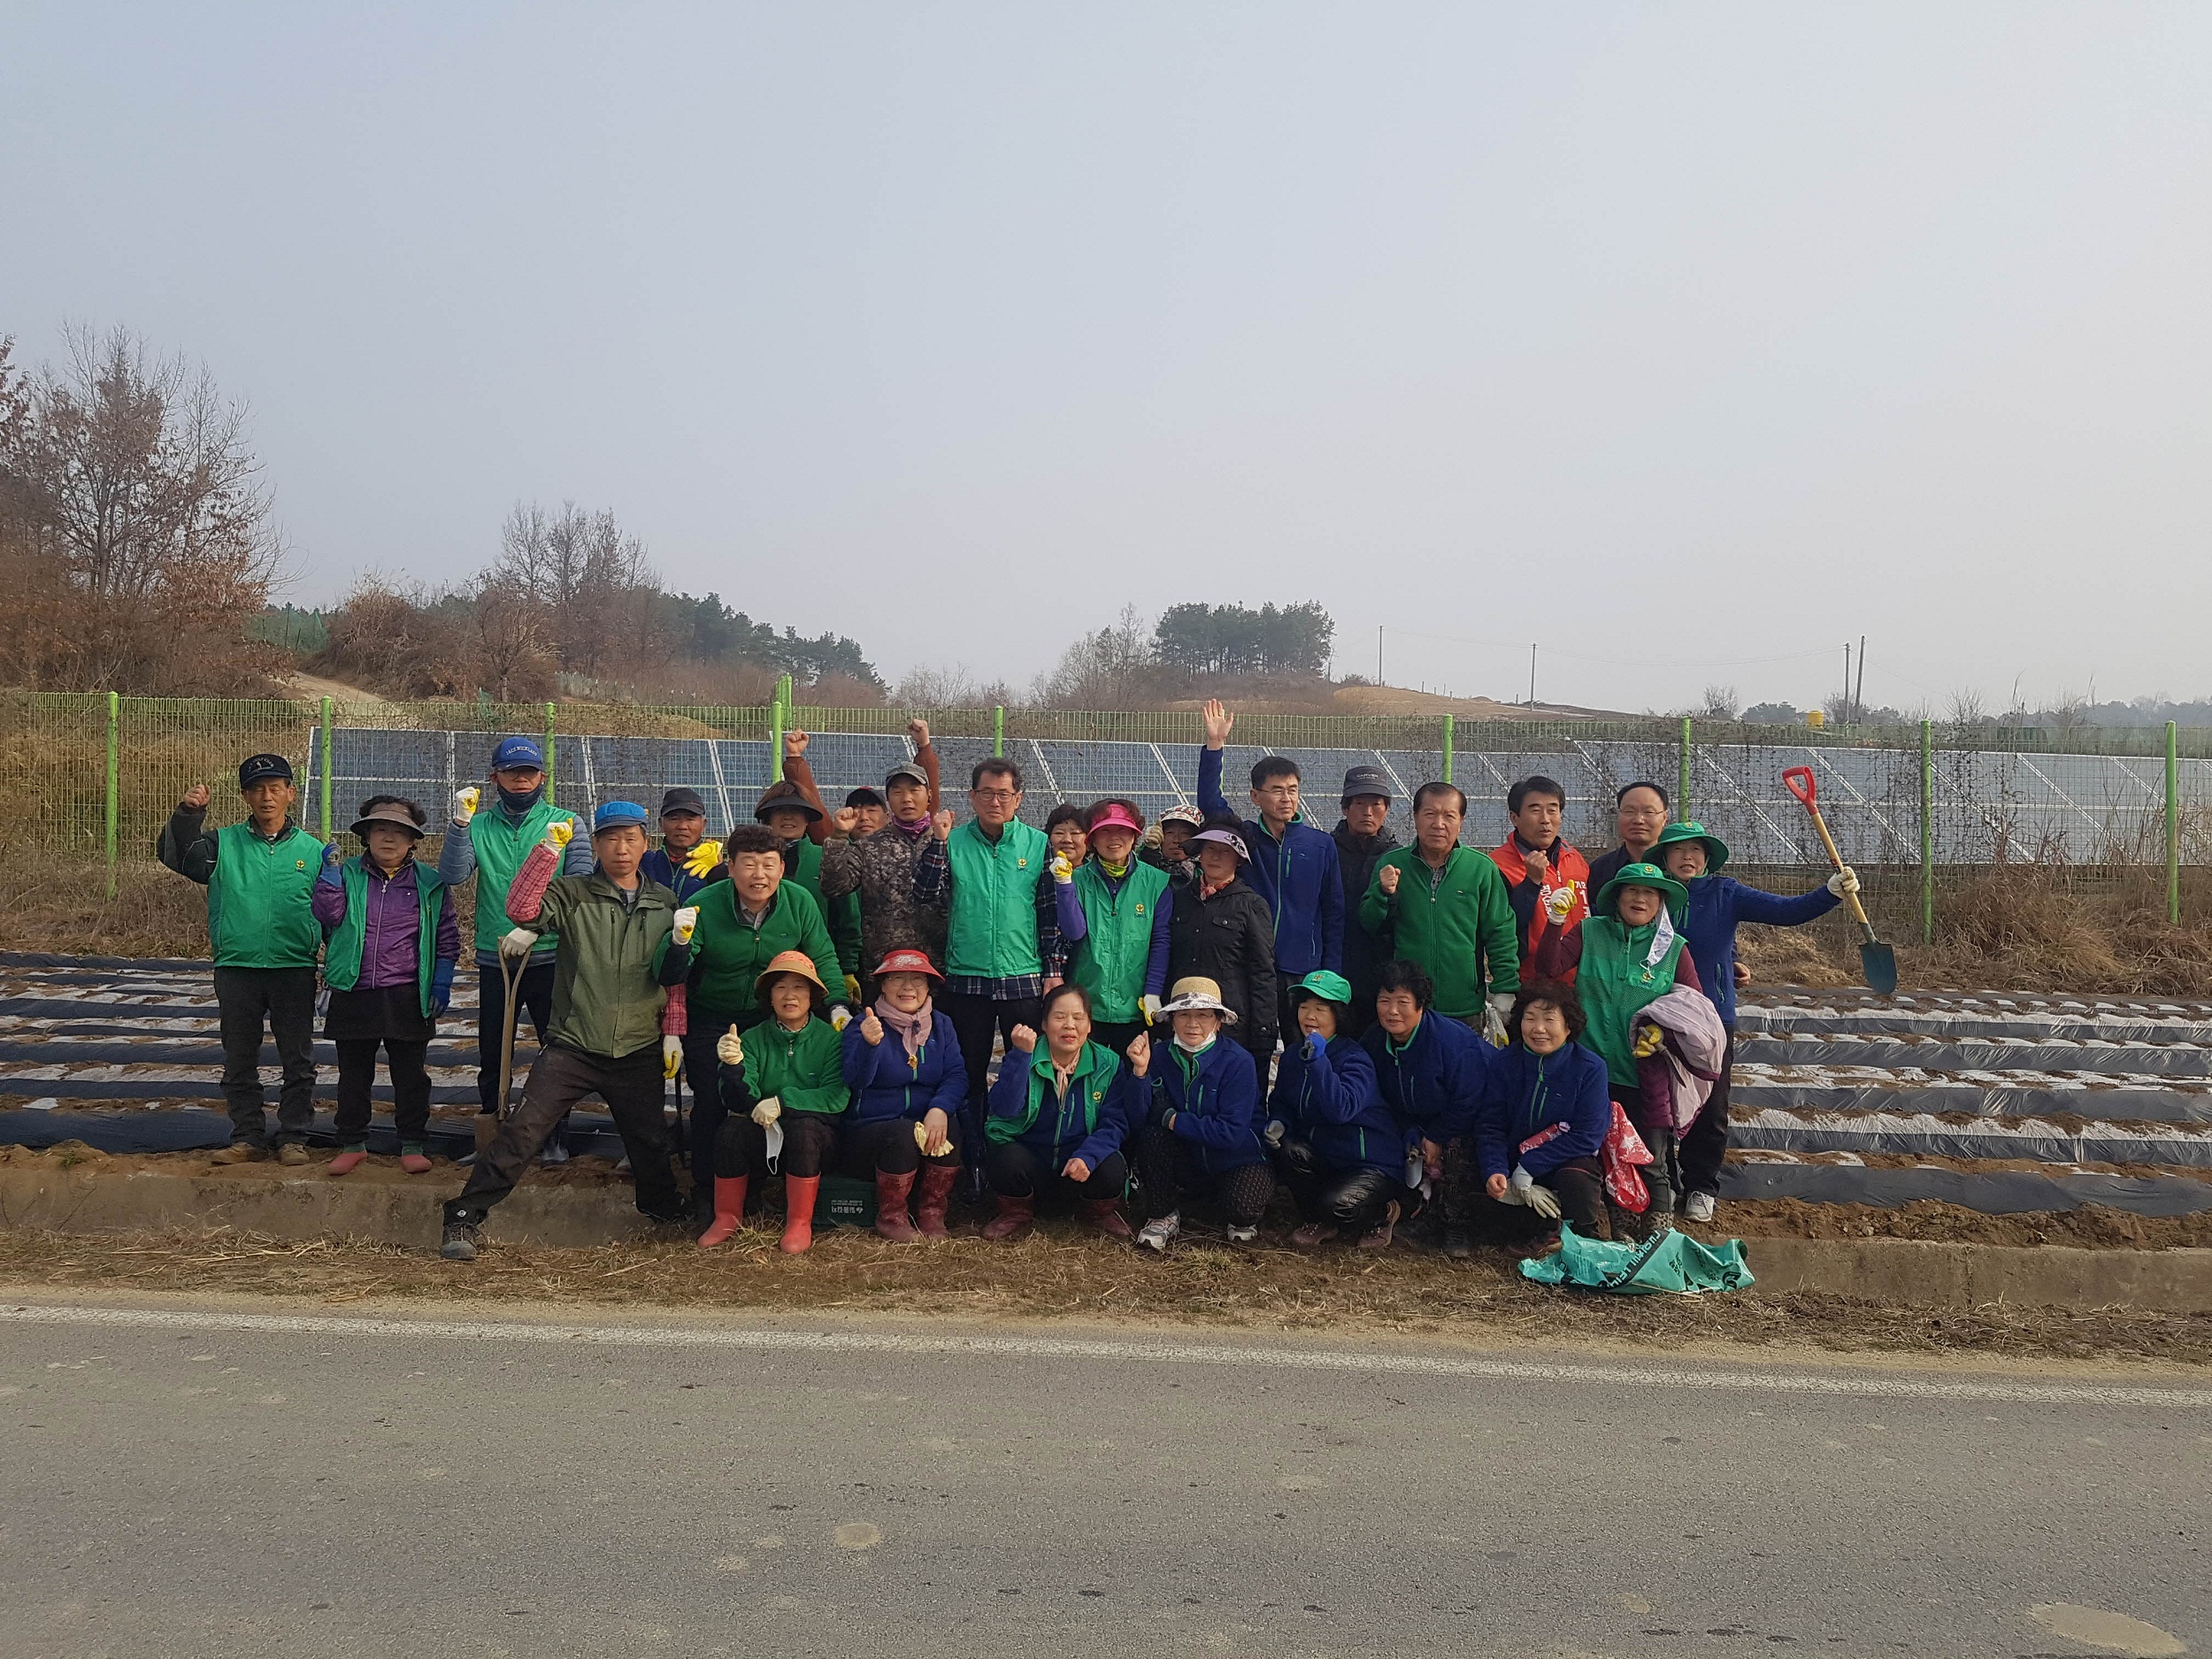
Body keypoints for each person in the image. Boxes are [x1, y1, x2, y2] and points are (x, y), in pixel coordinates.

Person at [439, 802, 692, 1260]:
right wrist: (546, 853)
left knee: (649, 1140)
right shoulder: (572, 892)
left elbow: (673, 977)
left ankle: (664, 1210)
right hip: (574, 1045)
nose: (621, 848)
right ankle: (464, 1214)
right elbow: (521, 910)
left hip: (638, 1044)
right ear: (594, 845)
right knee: (524, 1131)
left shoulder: (665, 902)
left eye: (630, 838)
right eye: (610, 838)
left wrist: (673, 1030)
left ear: (645, 844)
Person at [1651, 820, 1854, 1224]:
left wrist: (1830, 892)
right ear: (1665, 858)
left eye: (1696, 850)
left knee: (1711, 1105)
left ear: (1707, 858)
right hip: (1657, 1013)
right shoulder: (1652, 892)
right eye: (1678, 850)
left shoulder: (1725, 893)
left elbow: (1785, 911)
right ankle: (1664, 1183)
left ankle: (1701, 1186)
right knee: (1658, 1103)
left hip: (1712, 1017)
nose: (1687, 857)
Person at [672, 822, 845, 1224]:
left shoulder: (799, 902)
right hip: (713, 1015)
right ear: (730, 866)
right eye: (748, 864)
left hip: (768, 1015)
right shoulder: (705, 904)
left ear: (782, 867)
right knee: (712, 1099)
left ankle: (764, 1185)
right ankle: (709, 1191)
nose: (759, 875)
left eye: (769, 864)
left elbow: (822, 955)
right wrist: (678, 943)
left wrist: (837, 1004)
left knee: (769, 1095)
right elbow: (674, 971)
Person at [157, 754, 326, 1164]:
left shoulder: (315, 852)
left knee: (298, 1060)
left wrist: (335, 963)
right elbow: (178, 857)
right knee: (239, 1059)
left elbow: (332, 911)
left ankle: (293, 1138)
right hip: (237, 967)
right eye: (257, 789)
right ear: (245, 796)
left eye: (275, 788)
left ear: (290, 793)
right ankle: (247, 1137)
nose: (267, 797)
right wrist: (188, 815)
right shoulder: (221, 844)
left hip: (294, 968)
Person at [437, 735, 591, 1162]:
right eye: (511, 772)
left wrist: (539, 928)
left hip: (552, 954)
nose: (521, 780)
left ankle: (554, 1136)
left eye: (529, 772)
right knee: (493, 1048)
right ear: (495, 778)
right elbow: (453, 875)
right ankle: (494, 1127)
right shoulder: (480, 826)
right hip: (496, 956)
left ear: (542, 777)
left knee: (555, 1049)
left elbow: (578, 885)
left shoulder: (566, 822)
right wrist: (460, 824)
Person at [913, 757, 1062, 1197]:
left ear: (1018, 798)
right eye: (986, 793)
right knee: (969, 1072)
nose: (995, 802)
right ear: (972, 796)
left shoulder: (1038, 844)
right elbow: (925, 894)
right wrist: (938, 843)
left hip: (1023, 976)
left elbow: (1050, 914)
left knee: (1026, 1066)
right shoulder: (952, 841)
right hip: (966, 978)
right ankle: (972, 1163)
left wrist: (1053, 972)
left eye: (1004, 794)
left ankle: (1016, 1160)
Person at [311, 796, 460, 1177]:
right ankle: (352, 1143)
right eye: (380, 830)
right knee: (353, 1075)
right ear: (366, 836)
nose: (389, 839)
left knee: (410, 1075)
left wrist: (441, 982)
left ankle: (412, 1143)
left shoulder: (430, 883)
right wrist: (328, 879)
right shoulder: (345, 873)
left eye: (399, 832)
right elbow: (328, 918)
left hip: (407, 992)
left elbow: (446, 939)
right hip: (353, 988)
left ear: (413, 841)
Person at [1194, 699, 1342, 1034]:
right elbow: (1211, 805)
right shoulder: (1245, 837)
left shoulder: (1321, 844)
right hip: (1250, 965)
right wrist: (1215, 746)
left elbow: (1333, 913)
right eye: (1276, 791)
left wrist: (1329, 973)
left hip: (1303, 971)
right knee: (1253, 1046)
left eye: (1292, 790)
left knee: (1302, 1050)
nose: (1286, 798)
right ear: (1255, 796)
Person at [1571, 862, 1703, 1232]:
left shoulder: (1674, 949)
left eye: (1649, 893)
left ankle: (1658, 1235)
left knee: (1652, 1157)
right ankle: (1621, 1233)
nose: (1639, 898)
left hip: (1647, 1074)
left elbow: (1694, 1010)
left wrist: (1663, 1032)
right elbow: (1551, 965)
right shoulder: (1590, 932)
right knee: (1607, 1155)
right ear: (1617, 898)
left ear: (1661, 902)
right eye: (1631, 890)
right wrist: (1554, 922)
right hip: (1594, 1071)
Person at [703, 951, 851, 1254]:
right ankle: (726, 1217)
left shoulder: (832, 1040)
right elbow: (736, 1098)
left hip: (815, 1142)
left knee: (805, 1131)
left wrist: (783, 1102)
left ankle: (799, 1222)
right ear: (769, 997)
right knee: (731, 1131)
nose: (789, 995)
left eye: (798, 987)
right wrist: (733, 1067)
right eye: (780, 987)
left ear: (812, 995)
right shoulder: (752, 1038)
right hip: (765, 1132)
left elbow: (836, 1095)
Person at [979, 983, 1137, 1240]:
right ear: (1044, 1023)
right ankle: (1015, 1212)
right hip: (1033, 1163)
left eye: (1078, 1017)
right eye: (1060, 1017)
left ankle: (1098, 1213)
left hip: (1078, 1167)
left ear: (1089, 1025)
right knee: (1006, 1158)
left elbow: (1115, 1122)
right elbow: (1004, 1109)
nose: (1069, 1025)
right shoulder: (1026, 1054)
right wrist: (1020, 1057)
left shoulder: (1108, 1063)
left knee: (1111, 1165)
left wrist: (1088, 1157)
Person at [1358, 782, 1519, 1034]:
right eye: (1430, 814)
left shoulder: (1480, 868)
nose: (1439, 824)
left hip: (1464, 1005)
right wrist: (1383, 893)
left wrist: (1505, 987)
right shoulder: (1392, 863)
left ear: (1461, 821)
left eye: (1449, 816)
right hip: (1407, 1005)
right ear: (1415, 817)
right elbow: (1369, 923)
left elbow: (1500, 931)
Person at [1270, 970, 1412, 1249]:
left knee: (1339, 1205)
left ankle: (1384, 1213)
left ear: (1339, 1015)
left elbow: (1340, 1109)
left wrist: (1318, 1061)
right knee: (1288, 1150)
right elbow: (1282, 1100)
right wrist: (1279, 1121)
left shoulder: (1354, 1059)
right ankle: (1320, 1220)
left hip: (1369, 1164)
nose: (1310, 1016)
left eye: (1320, 1009)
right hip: (1326, 1156)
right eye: (1304, 1007)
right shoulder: (1293, 1056)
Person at [1363, 958, 1493, 1257]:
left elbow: (1470, 1098)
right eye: (1384, 1001)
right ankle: (1421, 1213)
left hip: (1472, 1116)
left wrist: (1436, 1135)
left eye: (1402, 1002)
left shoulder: (1451, 1041)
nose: (1392, 1011)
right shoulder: (1373, 1041)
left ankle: (1457, 1225)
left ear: (1421, 1005)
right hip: (1420, 1118)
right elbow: (1378, 1097)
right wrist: (1410, 1131)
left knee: (1456, 1147)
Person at [836, 949, 965, 1241]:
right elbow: (855, 1080)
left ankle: (931, 1213)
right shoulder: (864, 1024)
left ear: (928, 987)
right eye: (897, 978)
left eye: (917, 979)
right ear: (882, 984)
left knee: (951, 1124)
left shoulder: (942, 1025)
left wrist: (939, 1108)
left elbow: (956, 1075)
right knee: (904, 1132)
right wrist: (869, 1045)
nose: (908, 987)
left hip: (925, 1128)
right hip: (870, 1135)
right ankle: (891, 1217)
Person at [1468, 981, 1612, 1244]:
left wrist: (1530, 1166)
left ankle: (1583, 1234)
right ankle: (1537, 1228)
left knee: (1577, 1178)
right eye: (1530, 1018)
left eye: (1549, 1020)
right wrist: (1495, 1169)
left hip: (1561, 1161)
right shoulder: (1504, 1063)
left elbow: (1587, 1135)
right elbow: (1491, 1124)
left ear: (1569, 1026)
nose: (1539, 1029)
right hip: (1513, 1160)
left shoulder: (1590, 1069)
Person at [1133, 977, 1271, 1250]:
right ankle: (1163, 1214)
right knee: (1151, 1137)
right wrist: (1139, 1072)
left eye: (1204, 1015)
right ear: (1172, 1020)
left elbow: (1231, 1133)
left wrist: (1173, 1119)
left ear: (1218, 1021)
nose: (1193, 1023)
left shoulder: (1239, 1061)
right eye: (1183, 1014)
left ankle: (1230, 1203)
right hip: (1188, 1157)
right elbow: (1137, 1118)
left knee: (1243, 1211)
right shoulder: (1157, 1055)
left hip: (1236, 1158)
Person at [819, 720, 949, 997]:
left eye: (914, 790)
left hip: (939, 969)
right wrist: (838, 838)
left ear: (929, 796)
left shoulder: (948, 842)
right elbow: (834, 886)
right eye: (897, 792)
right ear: (889, 800)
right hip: (882, 969)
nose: (907, 798)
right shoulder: (869, 846)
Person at [1052, 799, 1172, 1057]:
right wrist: (1064, 886)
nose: (1114, 837)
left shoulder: (1157, 882)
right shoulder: (1077, 879)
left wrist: (1153, 991)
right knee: (1085, 1074)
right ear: (1093, 840)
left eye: (1122, 830)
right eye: (1105, 831)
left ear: (1134, 837)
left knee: (1132, 1073)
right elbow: (1074, 932)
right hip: (1087, 1005)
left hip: (1135, 1007)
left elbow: (1160, 941)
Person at [1165, 823, 1279, 1063]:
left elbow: (1262, 972)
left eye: (1225, 851)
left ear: (1238, 859)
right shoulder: (1179, 898)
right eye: (1210, 849)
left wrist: (1263, 1031)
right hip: (1182, 1018)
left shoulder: (1251, 905)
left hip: (1231, 1022)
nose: (1215, 856)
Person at [753, 762, 864, 993]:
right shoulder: (750, 864)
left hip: (818, 973)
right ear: (767, 818)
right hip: (762, 973)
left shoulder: (825, 857)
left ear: (807, 819)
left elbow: (847, 917)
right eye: (780, 811)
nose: (788, 818)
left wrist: (847, 969)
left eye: (796, 811)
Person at [1489, 775, 1590, 985]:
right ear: (1514, 818)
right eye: (1535, 810)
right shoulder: (1497, 865)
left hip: (1583, 981)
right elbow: (1501, 928)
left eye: (1553, 810)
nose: (1545, 819)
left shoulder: (1574, 858)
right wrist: (1531, 883)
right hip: (1532, 983)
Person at [1330, 765, 1400, 1037]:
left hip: (1382, 977)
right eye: (1359, 803)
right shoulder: (1326, 851)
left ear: (1386, 809)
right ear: (1345, 808)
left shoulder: (1399, 857)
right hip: (1334, 971)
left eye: (1376, 804)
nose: (1367, 812)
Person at [1585, 781, 1671, 899]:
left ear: (1664, 818)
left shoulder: (1676, 867)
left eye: (1649, 812)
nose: (1639, 820)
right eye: (1629, 811)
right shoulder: (1600, 869)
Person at [639, 787, 722, 904]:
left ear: (703, 825)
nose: (682, 826)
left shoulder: (717, 868)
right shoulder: (643, 864)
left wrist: (721, 873)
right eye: (674, 818)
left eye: (690, 819)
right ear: (661, 824)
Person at [1142, 803, 1203, 884]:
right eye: (1170, 833)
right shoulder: (1137, 868)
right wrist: (1148, 853)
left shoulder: (1207, 873)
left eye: (1185, 833)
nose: (1176, 840)